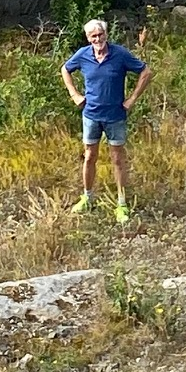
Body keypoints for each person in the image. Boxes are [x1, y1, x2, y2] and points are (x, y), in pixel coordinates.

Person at [61, 18, 152, 223]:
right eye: (93, 36)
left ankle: (121, 204)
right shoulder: (83, 55)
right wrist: (74, 94)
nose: (98, 39)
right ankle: (88, 197)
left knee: (118, 159)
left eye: (100, 34)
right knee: (89, 156)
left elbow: (146, 72)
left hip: (115, 116)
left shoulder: (119, 54)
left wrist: (132, 99)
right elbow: (65, 69)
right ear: (88, 38)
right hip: (91, 115)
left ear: (106, 34)